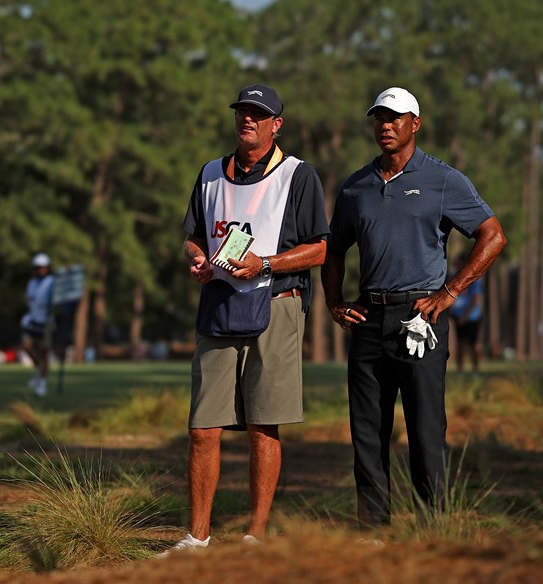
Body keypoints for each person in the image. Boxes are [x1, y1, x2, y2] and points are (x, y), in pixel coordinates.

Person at [321, 87, 507, 529]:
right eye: (379, 118)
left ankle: (433, 526)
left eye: (395, 118)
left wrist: (450, 292)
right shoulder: (355, 186)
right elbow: (333, 251)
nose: (385, 126)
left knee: (426, 432)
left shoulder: (443, 179)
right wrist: (333, 302)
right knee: (367, 432)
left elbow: (493, 235)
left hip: (421, 319)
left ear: (415, 124)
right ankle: (373, 529)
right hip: (368, 318)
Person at [163, 83, 328, 555]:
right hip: (217, 304)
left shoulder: (299, 175)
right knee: (202, 428)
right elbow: (192, 235)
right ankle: (197, 537)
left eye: (259, 114)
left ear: (277, 124)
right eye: (242, 112)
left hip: (275, 304)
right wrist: (196, 259)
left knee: (263, 425)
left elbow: (319, 247)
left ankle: (255, 535)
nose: (247, 120)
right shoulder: (211, 173)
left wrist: (267, 263)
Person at [20, 253, 56, 397]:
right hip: (32, 319)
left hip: (46, 321)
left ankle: (42, 384)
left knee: (44, 352)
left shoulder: (52, 282)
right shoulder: (32, 283)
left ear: (47, 268)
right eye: (38, 268)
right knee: (26, 346)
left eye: (43, 267)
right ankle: (39, 371)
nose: (41, 270)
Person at [448, 253, 485, 373]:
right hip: (458, 317)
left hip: (472, 317)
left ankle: (476, 370)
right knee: (460, 344)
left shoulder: (474, 278)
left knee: (474, 344)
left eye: (457, 262)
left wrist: (465, 315)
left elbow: (475, 300)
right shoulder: (453, 277)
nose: (455, 264)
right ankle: (460, 370)